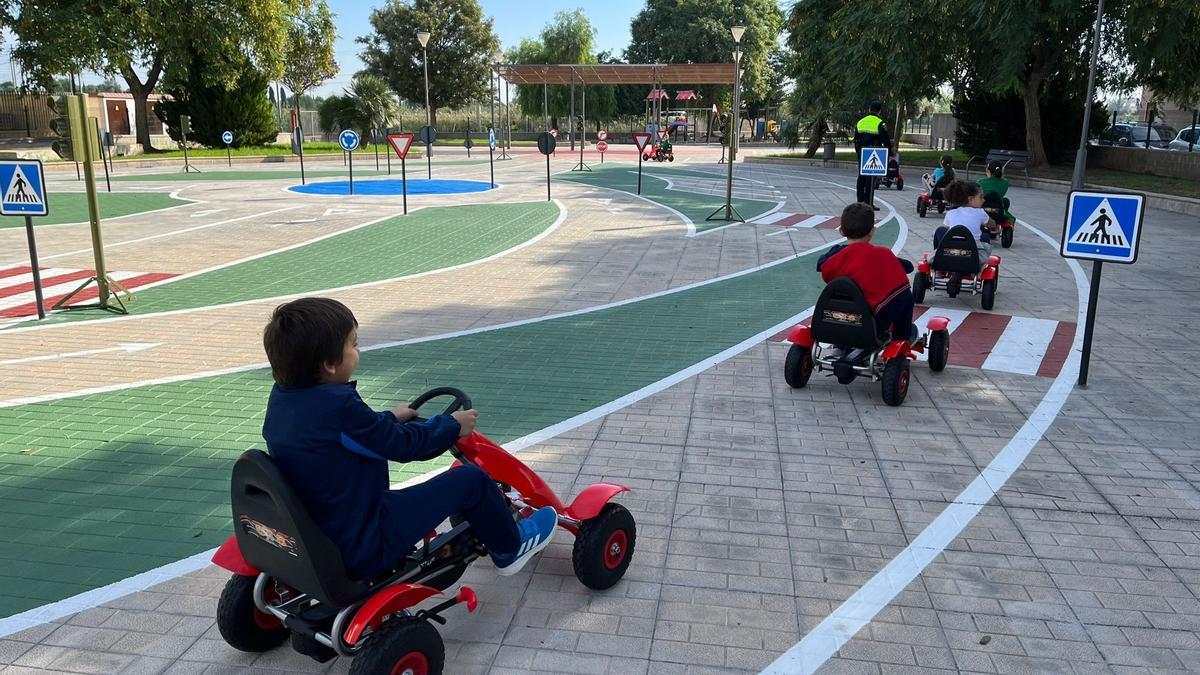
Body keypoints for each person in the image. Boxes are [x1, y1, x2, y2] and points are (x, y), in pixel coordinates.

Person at [260, 297, 557, 580]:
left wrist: (389, 417)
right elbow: (404, 445)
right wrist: (451, 426)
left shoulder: (285, 400)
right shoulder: (340, 406)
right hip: (364, 537)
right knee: (472, 480)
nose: (357, 351)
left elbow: (352, 434)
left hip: (320, 525)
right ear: (328, 364)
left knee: (446, 486)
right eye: (354, 344)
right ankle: (511, 547)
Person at [817, 202, 918, 343]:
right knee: (905, 296)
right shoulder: (882, 255)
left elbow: (821, 264)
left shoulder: (834, 255)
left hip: (835, 316)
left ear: (841, 231)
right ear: (872, 231)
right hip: (870, 321)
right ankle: (901, 338)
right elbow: (908, 267)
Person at [934, 180, 996, 264]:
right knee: (984, 235)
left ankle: (939, 253)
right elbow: (993, 225)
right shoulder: (980, 212)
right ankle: (980, 267)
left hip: (951, 251)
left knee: (940, 230)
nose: (984, 200)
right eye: (981, 197)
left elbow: (947, 230)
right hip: (972, 254)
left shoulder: (951, 213)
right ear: (970, 199)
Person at [854, 101, 892, 209]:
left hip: (862, 152)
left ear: (869, 109)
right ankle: (868, 202)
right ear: (879, 111)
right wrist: (888, 154)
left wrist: (858, 152)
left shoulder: (860, 122)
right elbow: (886, 141)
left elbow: (856, 139)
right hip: (875, 152)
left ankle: (860, 200)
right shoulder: (880, 122)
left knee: (861, 177)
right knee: (871, 178)